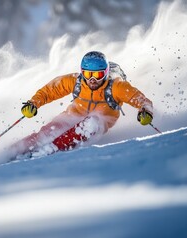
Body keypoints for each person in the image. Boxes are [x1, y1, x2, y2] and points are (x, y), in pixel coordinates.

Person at [12, 51, 154, 158]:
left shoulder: (117, 87)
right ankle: (12, 152)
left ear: (105, 73)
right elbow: (50, 91)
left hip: (98, 124)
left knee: (93, 121)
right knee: (47, 133)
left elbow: (141, 100)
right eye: (87, 74)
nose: (92, 80)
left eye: (97, 75)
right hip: (72, 116)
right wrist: (33, 104)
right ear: (82, 72)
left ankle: (51, 149)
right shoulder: (75, 81)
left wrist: (145, 111)